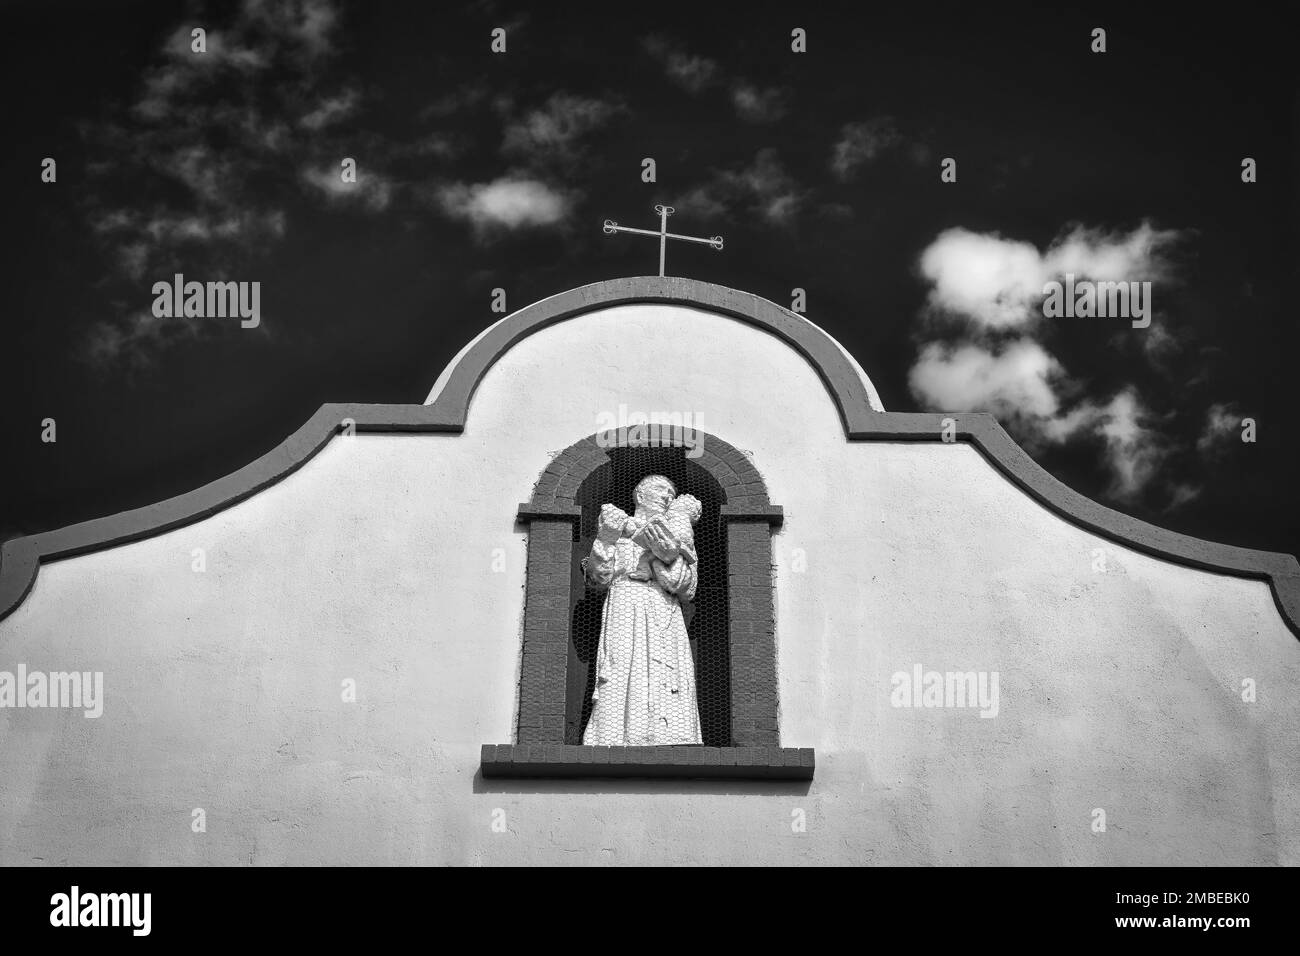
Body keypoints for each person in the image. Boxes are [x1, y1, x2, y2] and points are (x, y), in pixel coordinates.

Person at [580, 475, 703, 746]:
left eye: (672, 492)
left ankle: (669, 734)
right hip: (625, 603)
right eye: (660, 489)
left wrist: (665, 553)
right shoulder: (618, 529)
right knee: (621, 665)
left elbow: (686, 587)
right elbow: (597, 579)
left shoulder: (679, 537)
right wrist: (605, 538)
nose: (667, 496)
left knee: (666, 671)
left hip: (664, 607)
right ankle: (612, 735)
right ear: (640, 496)